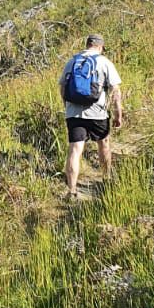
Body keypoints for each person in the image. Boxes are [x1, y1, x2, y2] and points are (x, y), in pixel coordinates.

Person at [60, 34, 123, 197]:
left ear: (87, 44)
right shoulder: (104, 62)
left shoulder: (72, 61)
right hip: (98, 113)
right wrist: (118, 115)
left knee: (75, 149)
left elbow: (63, 88)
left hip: (74, 113)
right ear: (100, 47)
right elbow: (115, 91)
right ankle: (106, 179)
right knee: (104, 144)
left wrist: (67, 108)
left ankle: (72, 190)